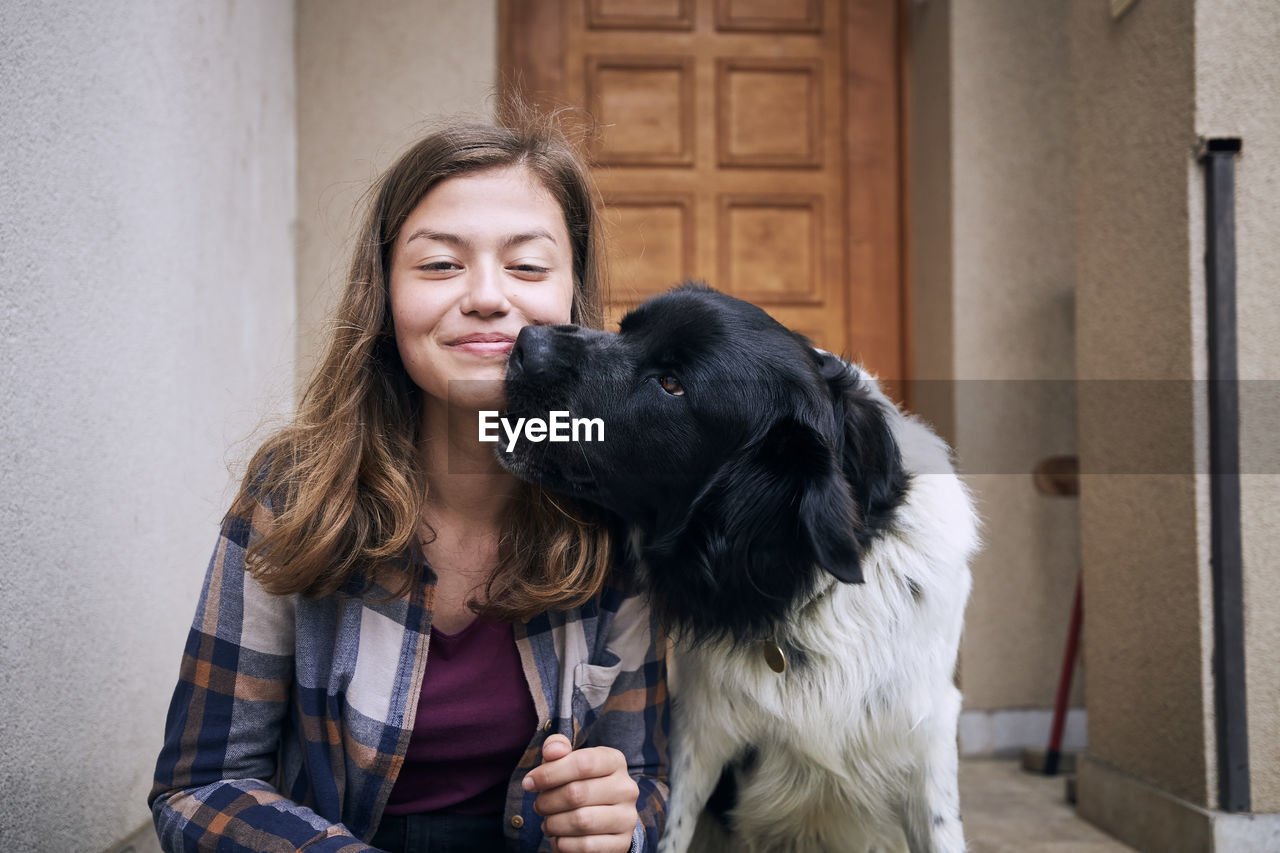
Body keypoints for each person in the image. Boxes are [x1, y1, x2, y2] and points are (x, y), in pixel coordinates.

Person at [149, 113, 670, 853]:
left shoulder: (620, 508)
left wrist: (625, 820)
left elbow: (646, 777)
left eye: (527, 265)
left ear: (573, 296)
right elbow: (197, 787)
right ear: (386, 295)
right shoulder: (294, 492)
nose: (488, 297)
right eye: (439, 264)